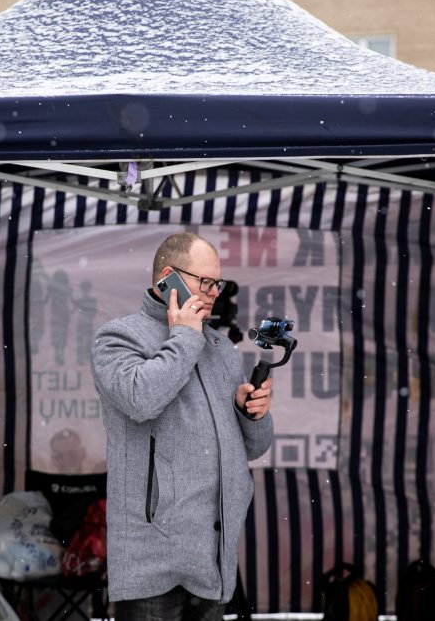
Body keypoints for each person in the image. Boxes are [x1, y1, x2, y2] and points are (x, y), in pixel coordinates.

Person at [90, 232, 274, 621]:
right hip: (152, 563)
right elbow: (142, 398)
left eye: (217, 284)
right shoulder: (118, 337)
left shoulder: (220, 348)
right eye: (204, 282)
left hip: (213, 560)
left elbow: (253, 448)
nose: (213, 293)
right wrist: (185, 336)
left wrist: (249, 413)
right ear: (167, 277)